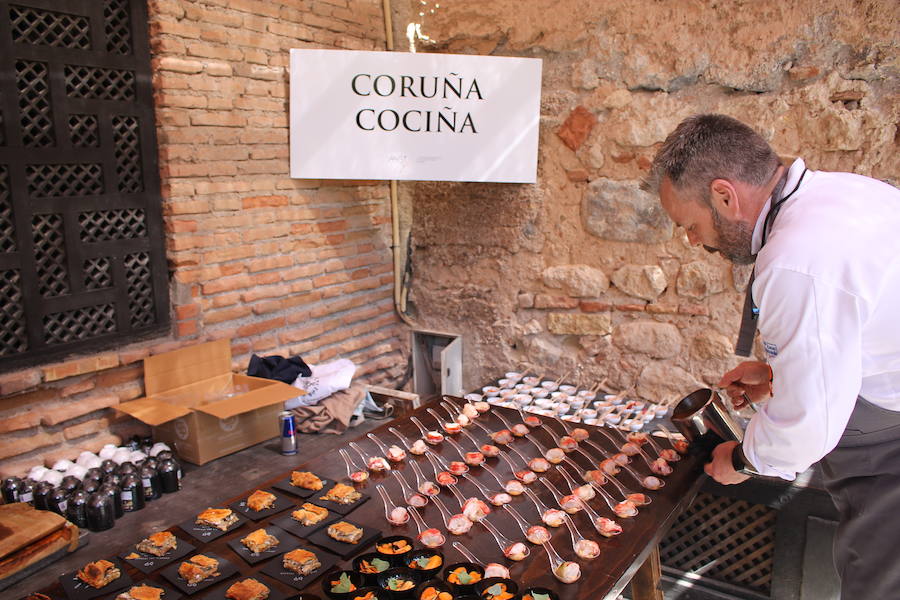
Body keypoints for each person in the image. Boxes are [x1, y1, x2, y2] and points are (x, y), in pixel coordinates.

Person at [646, 114, 900, 599]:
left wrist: (743, 459)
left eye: (691, 225)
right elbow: (860, 327)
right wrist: (777, 373)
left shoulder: (796, 259)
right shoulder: (840, 193)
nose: (694, 242)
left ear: (725, 195)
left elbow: (809, 425)